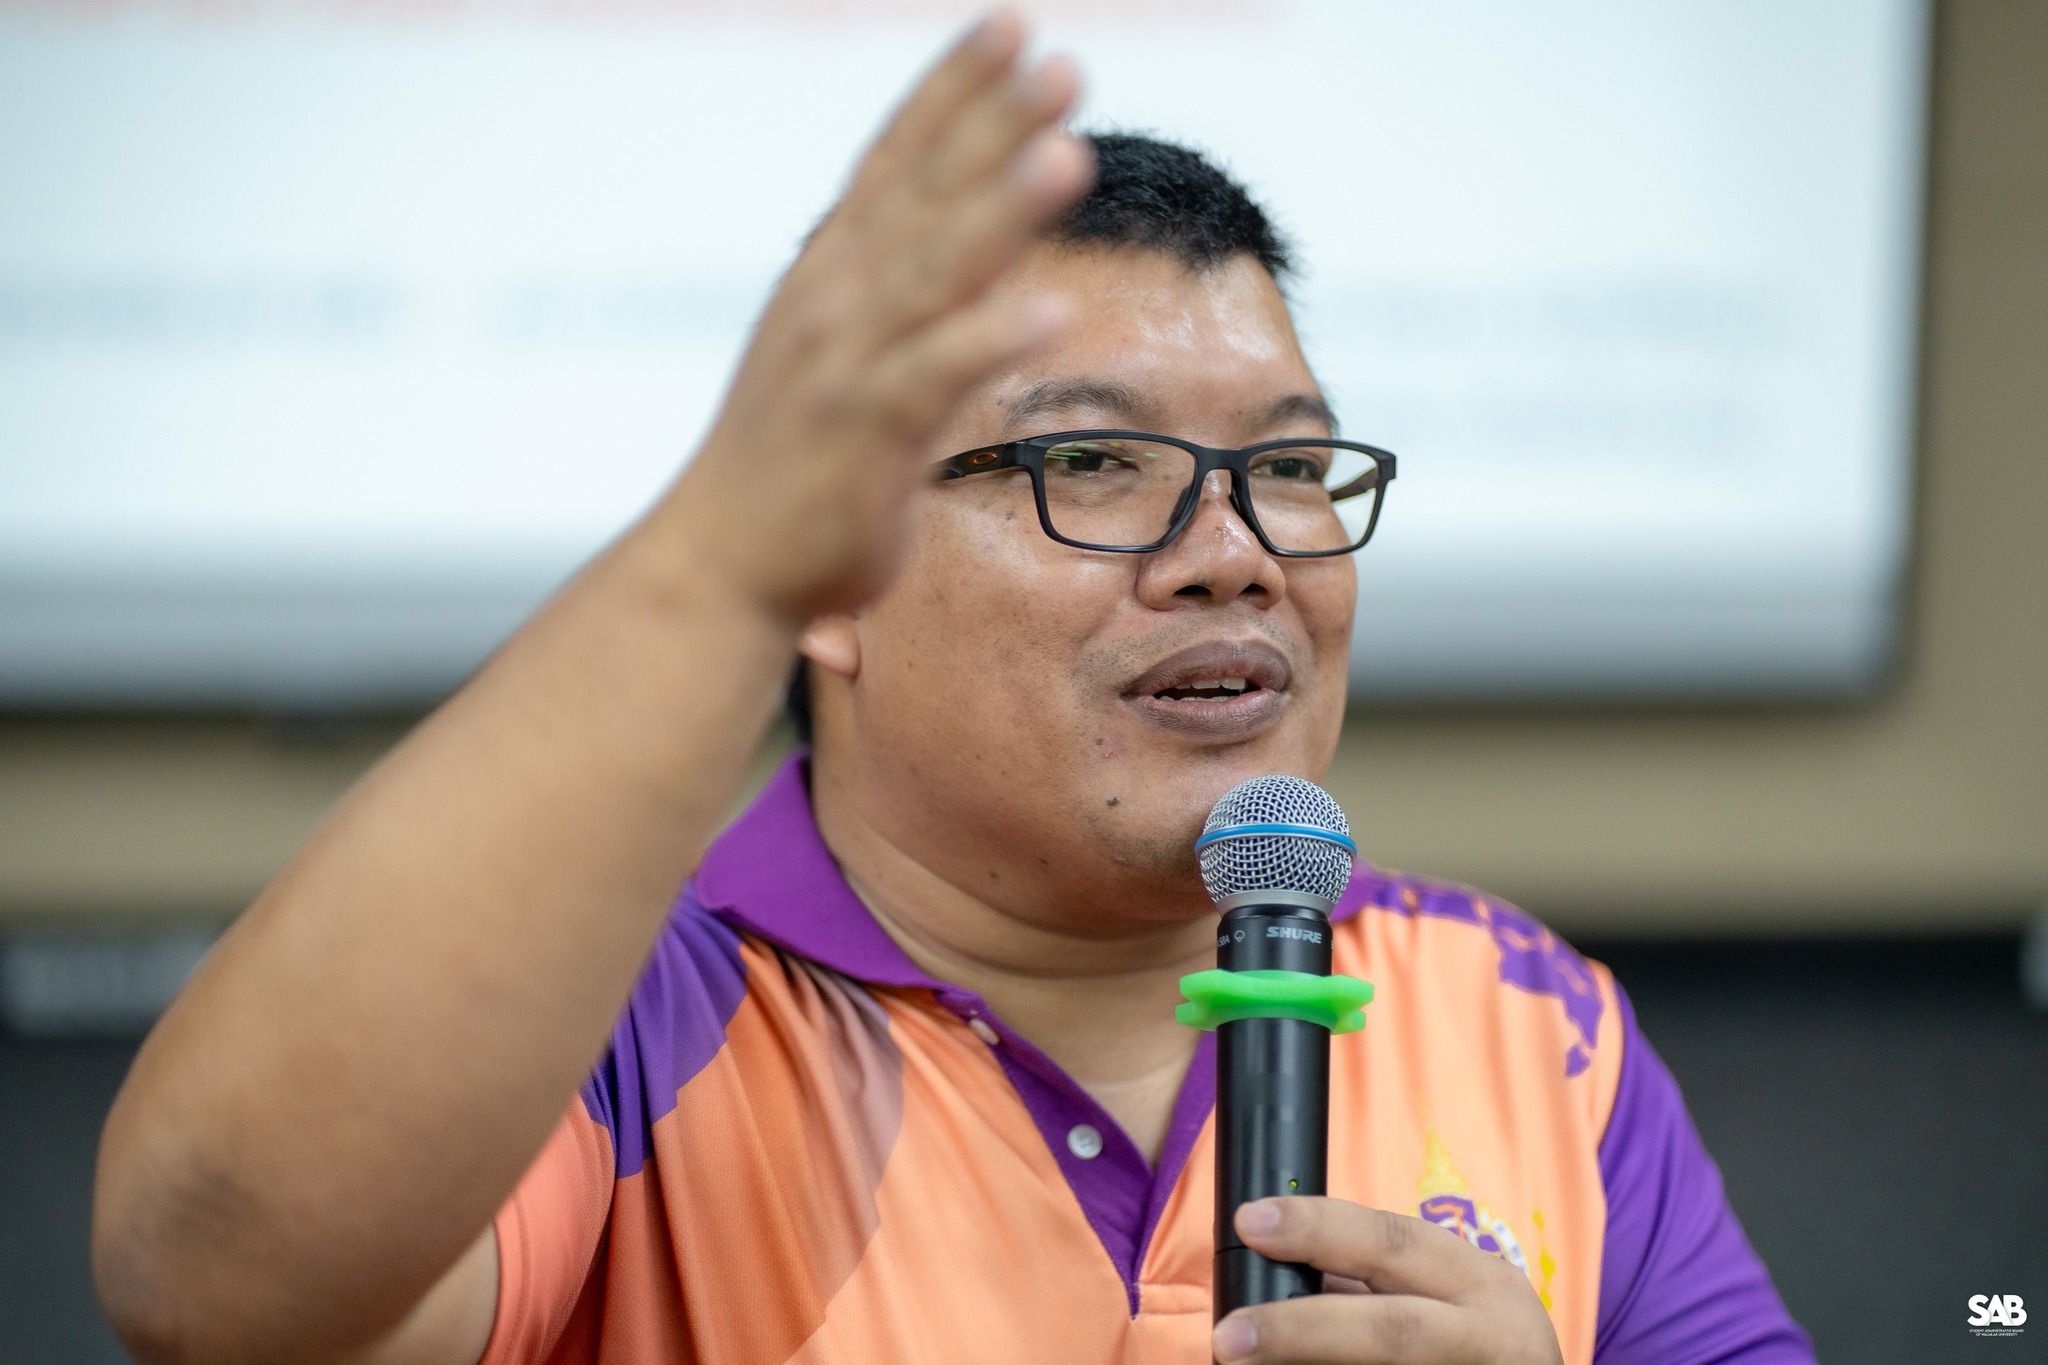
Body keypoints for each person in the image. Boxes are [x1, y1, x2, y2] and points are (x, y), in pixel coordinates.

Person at [91, 14, 1812, 1365]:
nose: (1235, 555)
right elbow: (213, 1282)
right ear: (834, 575)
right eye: (1095, 462)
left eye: (1290, 469)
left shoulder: (1527, 1015)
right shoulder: (620, 1021)